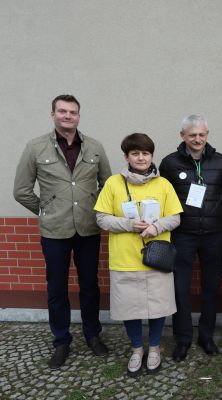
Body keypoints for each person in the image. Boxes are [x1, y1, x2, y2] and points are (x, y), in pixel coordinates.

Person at [13, 94, 112, 369]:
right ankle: (61, 340)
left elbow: (108, 184)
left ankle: (93, 335)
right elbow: (21, 191)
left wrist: (94, 209)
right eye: (62, 111)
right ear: (53, 114)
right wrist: (46, 210)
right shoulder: (35, 147)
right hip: (54, 231)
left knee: (90, 285)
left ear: (79, 116)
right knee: (57, 288)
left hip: (88, 229)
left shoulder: (94, 147)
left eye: (73, 112)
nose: (68, 116)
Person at [94, 133, 182, 376]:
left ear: (151, 156)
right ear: (127, 157)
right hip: (125, 259)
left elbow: (175, 216)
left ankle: (154, 348)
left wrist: (156, 227)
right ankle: (136, 349)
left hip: (156, 259)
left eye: (145, 153)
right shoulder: (113, 183)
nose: (141, 157)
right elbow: (101, 218)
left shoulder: (163, 184)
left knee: (157, 308)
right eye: (135, 153)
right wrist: (129, 225)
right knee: (129, 309)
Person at [159, 114, 222, 362]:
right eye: (192, 134)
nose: (197, 139)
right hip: (182, 236)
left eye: (201, 134)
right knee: (180, 290)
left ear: (207, 135)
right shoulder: (170, 164)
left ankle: (206, 336)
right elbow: (161, 198)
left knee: (211, 288)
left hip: (214, 235)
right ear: (182, 136)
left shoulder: (221, 161)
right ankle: (182, 339)